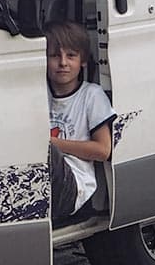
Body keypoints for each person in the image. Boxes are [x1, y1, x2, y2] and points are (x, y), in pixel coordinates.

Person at [45, 19, 113, 221]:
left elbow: (103, 150)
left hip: (75, 184)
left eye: (71, 56)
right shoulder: (39, 94)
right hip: (42, 180)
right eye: (54, 56)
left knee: (48, 152)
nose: (63, 63)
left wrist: (53, 144)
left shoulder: (91, 95)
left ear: (82, 60)